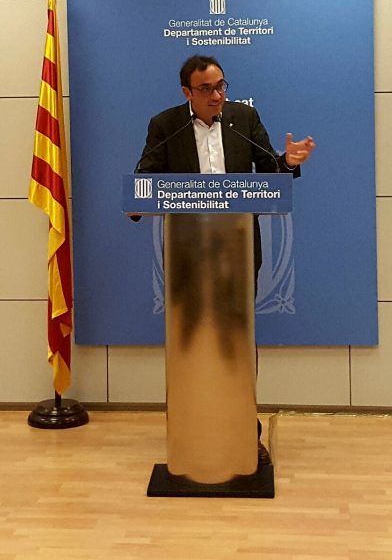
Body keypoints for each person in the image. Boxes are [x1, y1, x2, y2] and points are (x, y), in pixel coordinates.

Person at [134, 54, 316, 465]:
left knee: (237, 341)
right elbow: (147, 176)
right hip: (187, 253)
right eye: (206, 89)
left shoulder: (243, 119)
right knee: (191, 339)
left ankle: (244, 433)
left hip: (238, 249)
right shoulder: (166, 125)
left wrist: (287, 163)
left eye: (221, 86)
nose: (217, 95)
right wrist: (139, 198)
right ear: (187, 92)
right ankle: (192, 429)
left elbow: (268, 168)